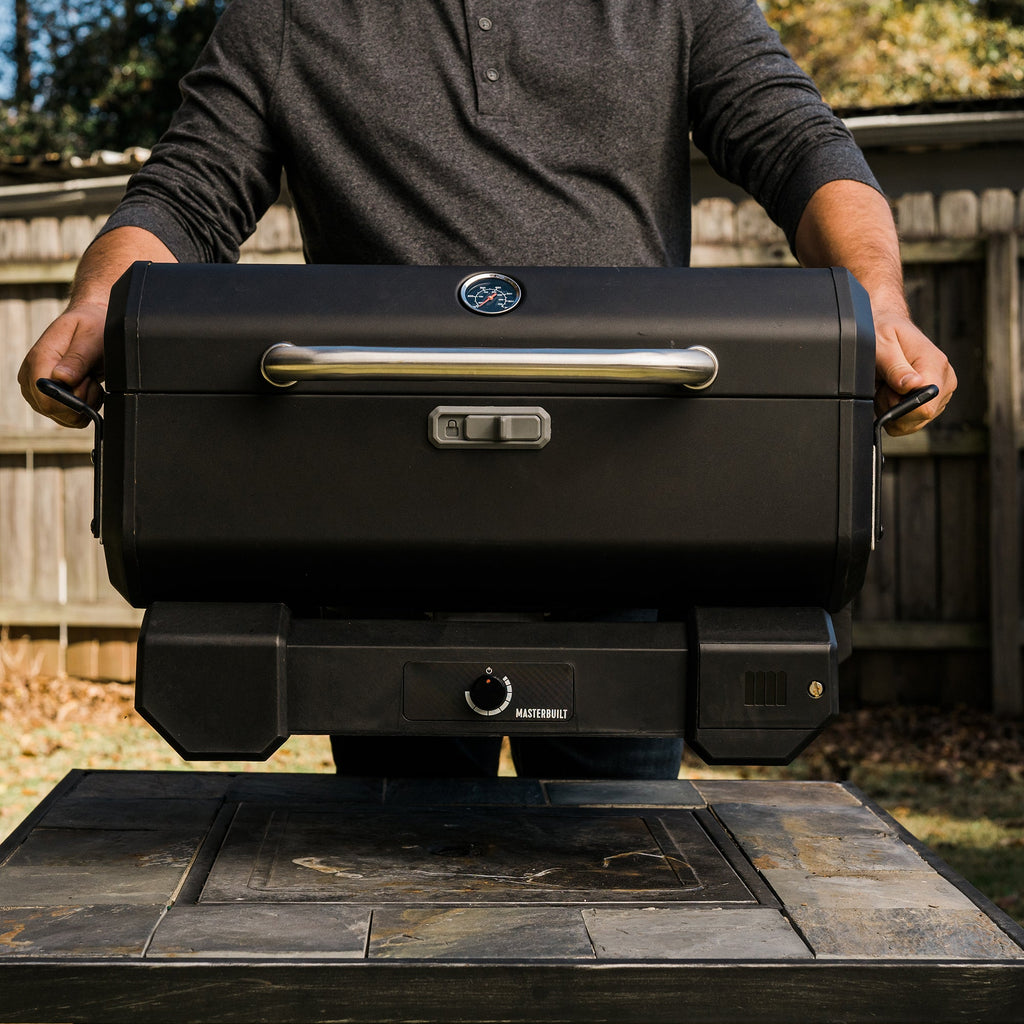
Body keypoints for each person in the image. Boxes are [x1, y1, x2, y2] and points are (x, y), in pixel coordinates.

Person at [18, 0, 956, 779]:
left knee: (616, 868)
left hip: (625, 519)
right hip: (386, 533)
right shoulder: (287, 15)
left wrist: (878, 306)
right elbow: (189, 189)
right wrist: (100, 303)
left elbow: (800, 143)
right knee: (407, 876)